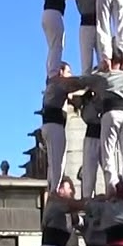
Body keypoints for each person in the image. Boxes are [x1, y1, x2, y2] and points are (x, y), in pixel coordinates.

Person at [77, 54, 123, 191]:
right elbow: (87, 117)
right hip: (94, 132)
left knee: (112, 158)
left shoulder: (109, 83)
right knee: (90, 170)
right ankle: (90, 196)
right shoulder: (91, 96)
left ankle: (115, 188)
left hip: (108, 124)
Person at [39, 64, 77, 194]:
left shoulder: (55, 86)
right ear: (60, 72)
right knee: (58, 162)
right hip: (54, 124)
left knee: (54, 161)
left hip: (51, 125)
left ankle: (53, 189)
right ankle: (54, 192)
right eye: (68, 71)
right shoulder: (58, 85)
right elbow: (73, 93)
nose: (71, 75)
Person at [42, 0, 70, 80]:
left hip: (49, 13)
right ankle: (53, 73)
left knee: (53, 46)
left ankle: (51, 71)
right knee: (57, 46)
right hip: (54, 12)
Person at [66, 0, 98, 74]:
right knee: (86, 60)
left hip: (100, 24)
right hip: (86, 24)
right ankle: (86, 80)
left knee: (103, 57)